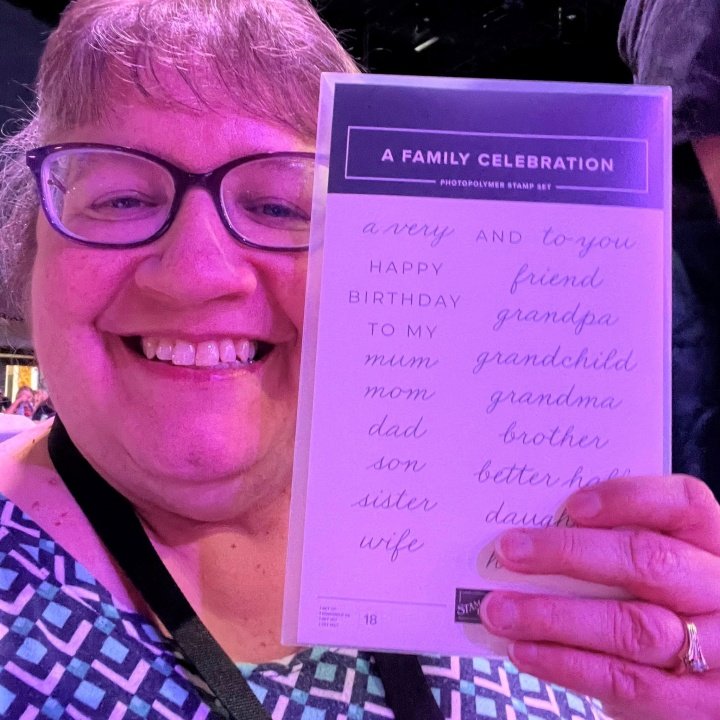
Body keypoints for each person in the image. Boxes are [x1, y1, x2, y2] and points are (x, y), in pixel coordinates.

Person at [0, 1, 718, 719]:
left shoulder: (552, 574)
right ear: (31, 252)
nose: (195, 273)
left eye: (278, 207)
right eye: (121, 199)